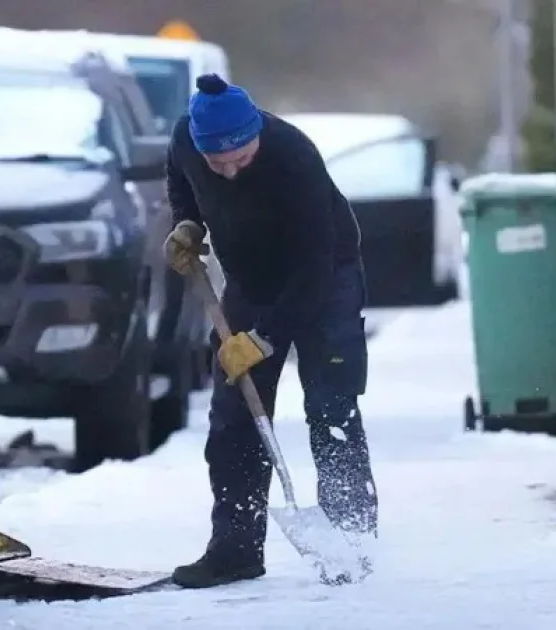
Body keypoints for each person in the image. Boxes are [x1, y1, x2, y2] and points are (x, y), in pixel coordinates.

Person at [163, 73, 379, 589]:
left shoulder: (294, 158)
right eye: (219, 164)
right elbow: (181, 181)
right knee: (235, 414)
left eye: (241, 157)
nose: (232, 172)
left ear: (256, 132)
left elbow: (313, 272)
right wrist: (188, 223)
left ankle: (352, 543)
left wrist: (262, 340)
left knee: (331, 406)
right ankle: (234, 548)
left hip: (324, 279)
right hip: (250, 278)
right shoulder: (184, 142)